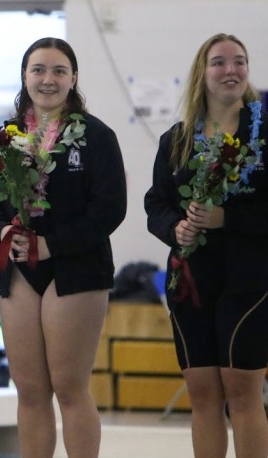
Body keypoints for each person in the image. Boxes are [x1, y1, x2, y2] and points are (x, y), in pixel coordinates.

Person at [0, 37, 126, 458]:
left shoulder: (96, 136)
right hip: (20, 269)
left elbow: (110, 209)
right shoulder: (5, 138)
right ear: (24, 76)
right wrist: (2, 233)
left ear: (73, 78)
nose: (48, 79)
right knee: (29, 389)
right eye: (38, 70)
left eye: (59, 71)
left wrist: (50, 244)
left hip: (76, 268)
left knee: (69, 386)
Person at [144, 33, 268, 458]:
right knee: (202, 391)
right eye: (219, 62)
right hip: (191, 278)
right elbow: (156, 203)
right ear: (202, 72)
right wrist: (175, 229)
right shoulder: (177, 139)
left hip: (248, 278)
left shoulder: (262, 135)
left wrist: (227, 219)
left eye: (239, 61)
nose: (230, 70)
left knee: (243, 390)